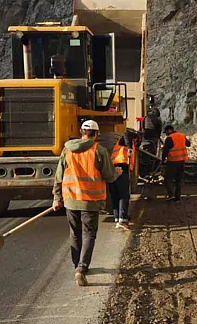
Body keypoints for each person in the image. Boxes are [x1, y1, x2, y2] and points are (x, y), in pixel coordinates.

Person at [52, 120, 120, 287]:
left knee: (75, 233)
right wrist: (117, 172)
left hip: (70, 200)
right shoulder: (99, 150)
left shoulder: (67, 149)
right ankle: (82, 269)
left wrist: (56, 197)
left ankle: (76, 265)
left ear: (81, 132)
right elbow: (109, 176)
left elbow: (59, 176)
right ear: (96, 134)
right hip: (90, 201)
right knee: (89, 234)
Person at [109, 135, 133, 231]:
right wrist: (130, 147)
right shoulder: (129, 139)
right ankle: (122, 220)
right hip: (121, 168)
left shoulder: (120, 145)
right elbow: (127, 135)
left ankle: (118, 217)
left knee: (115, 195)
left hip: (114, 168)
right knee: (123, 195)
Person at [162, 125, 190, 202]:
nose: (166, 134)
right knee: (179, 180)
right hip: (182, 161)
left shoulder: (169, 138)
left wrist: (163, 159)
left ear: (168, 130)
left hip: (173, 161)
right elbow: (188, 144)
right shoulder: (182, 135)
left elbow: (165, 150)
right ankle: (177, 197)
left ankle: (171, 194)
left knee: (168, 179)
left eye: (166, 132)